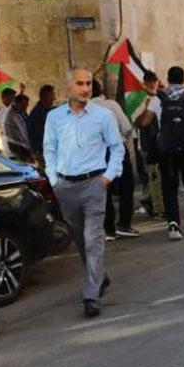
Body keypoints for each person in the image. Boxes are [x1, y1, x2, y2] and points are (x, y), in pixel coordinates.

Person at [43, 66, 125, 318]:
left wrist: (108, 177)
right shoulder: (55, 117)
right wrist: (54, 179)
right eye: (80, 83)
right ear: (69, 86)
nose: (85, 88)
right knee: (79, 239)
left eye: (88, 83)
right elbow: (49, 149)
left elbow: (117, 148)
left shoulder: (102, 116)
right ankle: (100, 276)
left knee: (93, 239)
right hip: (65, 186)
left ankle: (91, 294)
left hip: (94, 185)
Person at [136, 66, 184, 240]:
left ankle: (173, 223)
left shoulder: (159, 98)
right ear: (182, 78)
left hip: (167, 150)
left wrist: (147, 109)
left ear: (168, 78)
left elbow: (145, 123)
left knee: (169, 188)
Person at [90, 78, 140, 240]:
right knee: (126, 187)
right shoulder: (111, 105)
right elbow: (126, 127)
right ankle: (124, 224)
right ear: (101, 90)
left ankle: (108, 229)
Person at [136, 72, 166, 220]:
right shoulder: (139, 99)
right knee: (154, 177)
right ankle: (158, 208)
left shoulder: (159, 97)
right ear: (145, 82)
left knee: (155, 176)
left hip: (160, 142)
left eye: (155, 80)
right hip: (148, 144)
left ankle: (147, 200)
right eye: (150, 81)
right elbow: (136, 122)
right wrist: (146, 109)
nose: (153, 83)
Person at [27, 84, 58, 166]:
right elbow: (41, 135)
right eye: (52, 95)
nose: (54, 98)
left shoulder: (45, 110)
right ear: (45, 96)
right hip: (42, 152)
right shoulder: (38, 113)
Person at [1, 90, 33, 163]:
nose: (25, 109)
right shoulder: (11, 115)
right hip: (16, 148)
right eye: (23, 106)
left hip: (22, 146)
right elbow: (21, 135)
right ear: (17, 103)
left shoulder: (19, 111)